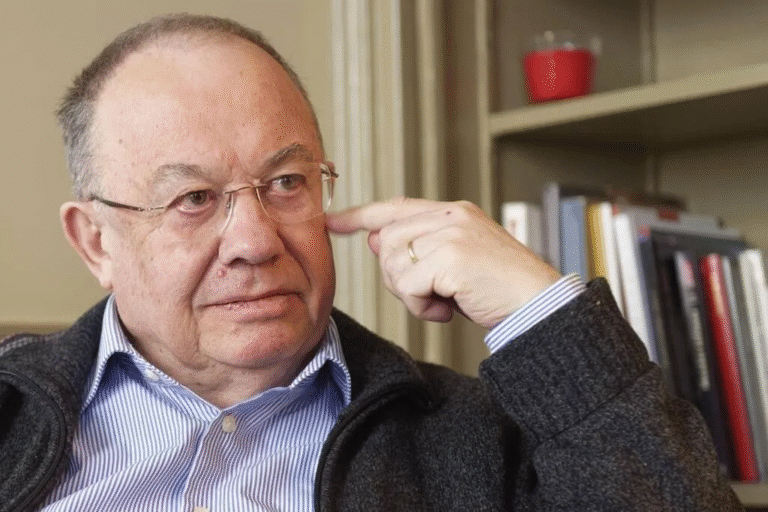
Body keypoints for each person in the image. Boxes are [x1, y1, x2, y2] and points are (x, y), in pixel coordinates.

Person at [0, 13, 743, 512]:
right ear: (95, 241)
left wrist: (541, 311)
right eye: (193, 198)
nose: (256, 242)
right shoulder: (13, 412)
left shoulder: (476, 438)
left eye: (286, 183)